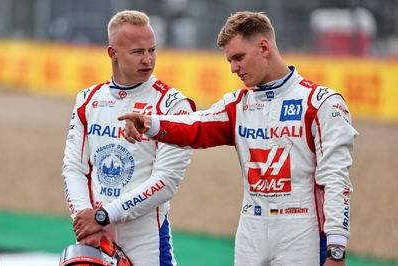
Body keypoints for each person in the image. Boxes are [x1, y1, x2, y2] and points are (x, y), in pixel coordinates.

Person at [118, 11, 358, 266]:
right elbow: (194, 125)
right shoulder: (237, 105)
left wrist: (336, 247)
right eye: (230, 60)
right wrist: (151, 123)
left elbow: (336, 180)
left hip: (302, 230)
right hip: (250, 230)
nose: (233, 68)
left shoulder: (321, 103)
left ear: (264, 47)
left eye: (238, 57)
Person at [62, 10, 195, 266]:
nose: (148, 59)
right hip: (94, 231)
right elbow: (73, 168)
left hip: (145, 236)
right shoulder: (87, 100)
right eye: (137, 52)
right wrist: (84, 219)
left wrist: (102, 216)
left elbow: (165, 182)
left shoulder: (174, 105)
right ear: (112, 53)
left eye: (152, 50)